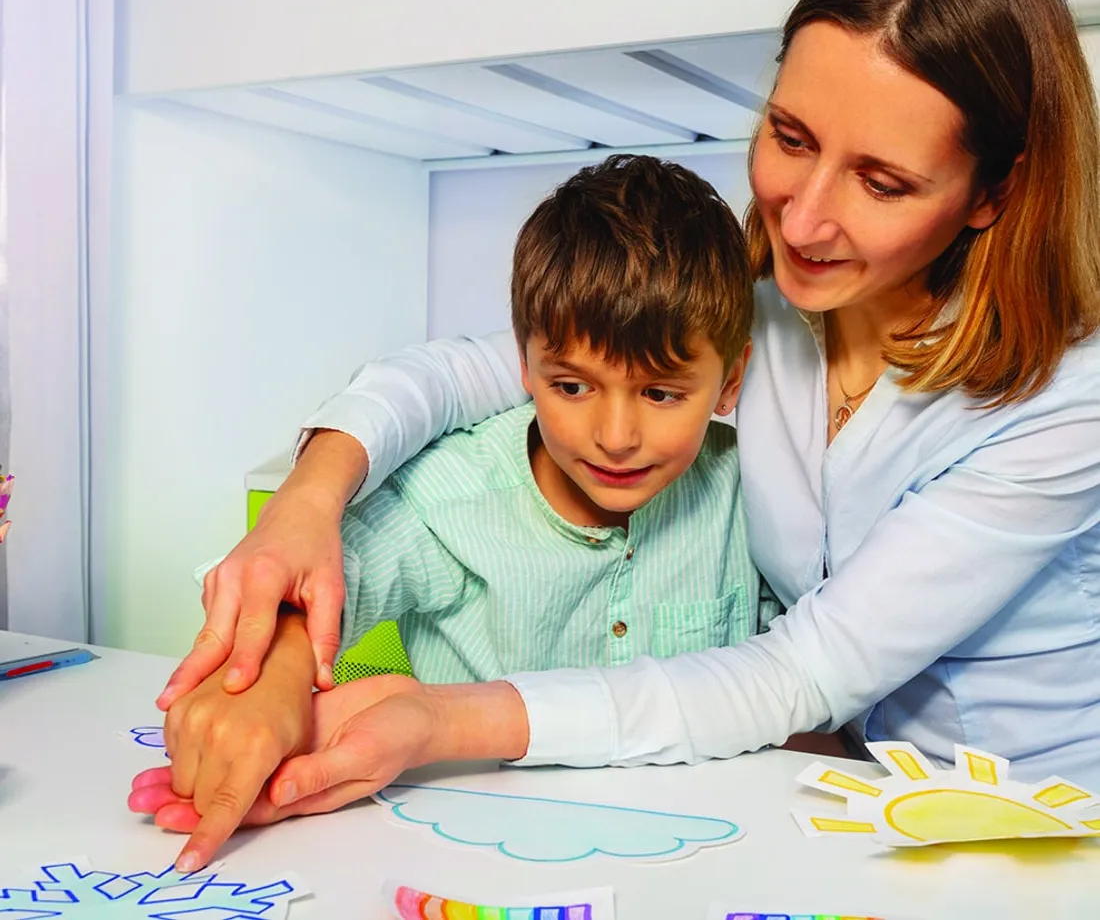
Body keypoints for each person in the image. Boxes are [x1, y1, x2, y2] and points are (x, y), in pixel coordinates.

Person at [138, 0, 1100, 867]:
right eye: (790, 138)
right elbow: (470, 372)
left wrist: (439, 718)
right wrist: (309, 504)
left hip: (1044, 825)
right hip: (851, 810)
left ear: (993, 192)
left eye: (881, 182)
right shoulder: (759, 312)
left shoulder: (1068, 400)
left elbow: (800, 673)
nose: (800, 220)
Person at [141, 153, 779, 870]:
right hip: (465, 862)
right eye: (572, 386)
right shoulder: (452, 495)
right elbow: (319, 577)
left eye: (661, 394)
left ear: (731, 383)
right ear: (523, 368)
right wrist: (279, 679)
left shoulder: (749, 495)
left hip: (699, 861)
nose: (616, 436)